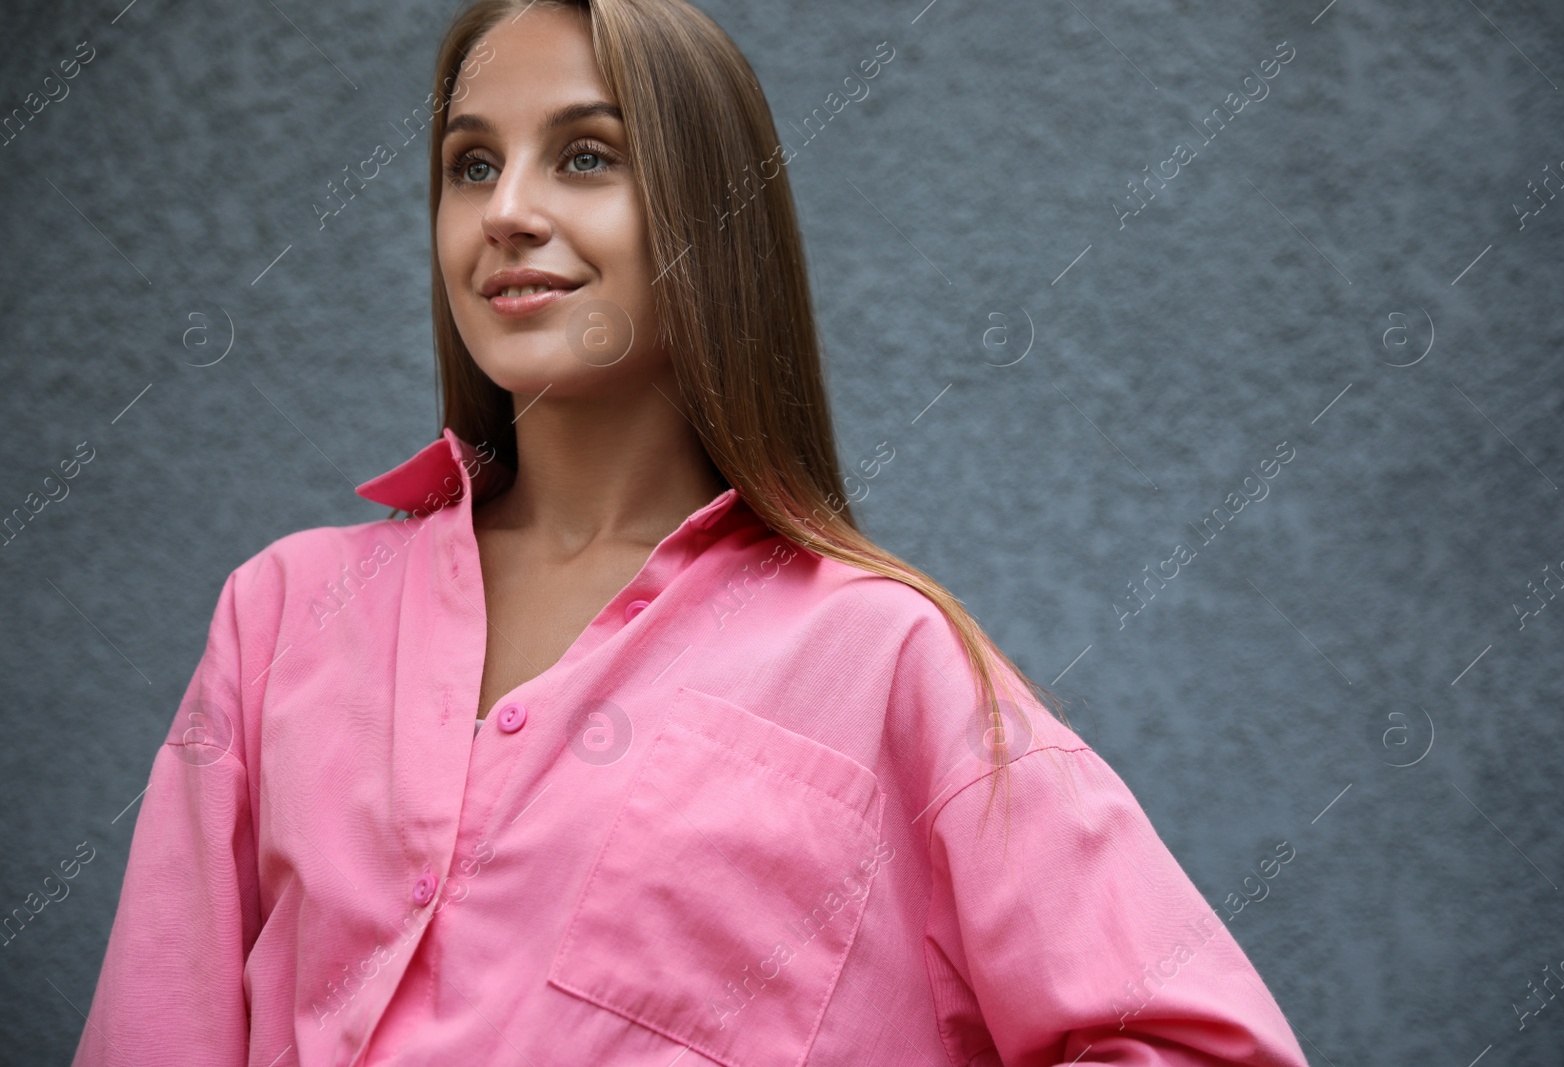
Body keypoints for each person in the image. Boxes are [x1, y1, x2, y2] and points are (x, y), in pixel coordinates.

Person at [72, 1, 1312, 1063]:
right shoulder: (282, 614)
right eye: (468, 163)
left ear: (716, 217)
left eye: (586, 156)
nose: (505, 209)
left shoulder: (882, 658)